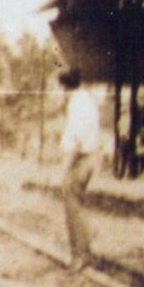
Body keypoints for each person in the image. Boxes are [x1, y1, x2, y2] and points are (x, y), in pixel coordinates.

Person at [58, 67, 101, 272]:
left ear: (64, 87)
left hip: (81, 159)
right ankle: (87, 250)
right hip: (91, 156)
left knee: (71, 203)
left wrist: (63, 170)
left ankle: (80, 256)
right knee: (78, 203)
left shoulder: (75, 105)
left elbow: (75, 141)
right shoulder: (87, 100)